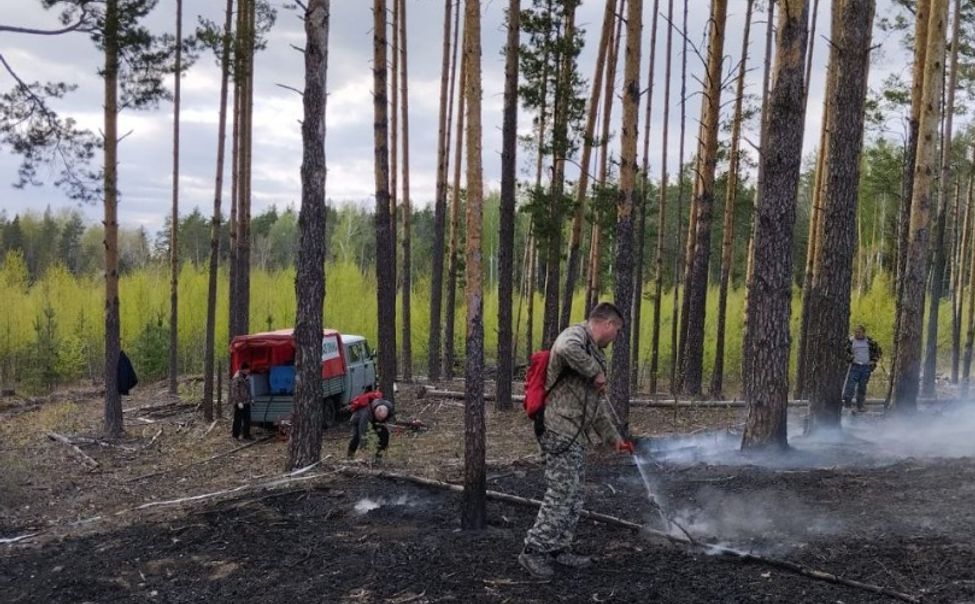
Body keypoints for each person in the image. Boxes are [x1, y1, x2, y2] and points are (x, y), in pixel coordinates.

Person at [519, 302, 635, 579]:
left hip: (575, 434)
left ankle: (559, 547)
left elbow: (595, 409)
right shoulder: (575, 336)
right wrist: (595, 371)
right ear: (608, 324)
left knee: (574, 494)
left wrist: (614, 440)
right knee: (561, 492)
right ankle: (533, 551)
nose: (615, 337)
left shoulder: (594, 353)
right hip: (558, 429)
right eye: (616, 331)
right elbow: (563, 348)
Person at [843, 324, 882, 413]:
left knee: (862, 387)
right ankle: (847, 405)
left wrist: (874, 360)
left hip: (866, 367)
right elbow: (844, 352)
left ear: (863, 333)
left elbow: (878, 351)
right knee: (850, 386)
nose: (857, 334)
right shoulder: (850, 341)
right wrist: (850, 359)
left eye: (859, 332)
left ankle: (860, 406)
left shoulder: (870, 342)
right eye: (856, 332)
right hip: (854, 366)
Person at [347, 392, 394, 461]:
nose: (380, 420)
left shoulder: (389, 407)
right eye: (379, 418)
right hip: (358, 420)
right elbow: (363, 432)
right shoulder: (366, 414)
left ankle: (378, 457)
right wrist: (364, 448)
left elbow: (390, 417)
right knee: (356, 438)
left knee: (384, 435)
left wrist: (385, 423)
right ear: (375, 413)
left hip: (373, 421)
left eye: (382, 419)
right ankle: (350, 456)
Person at [231, 363, 254, 441]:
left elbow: (249, 390)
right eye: (247, 369)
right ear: (243, 370)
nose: (248, 371)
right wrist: (238, 401)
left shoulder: (247, 378)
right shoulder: (237, 378)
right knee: (238, 420)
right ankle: (235, 435)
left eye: (248, 369)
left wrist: (251, 399)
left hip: (246, 401)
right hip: (239, 403)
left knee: (247, 419)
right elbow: (235, 391)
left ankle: (246, 435)